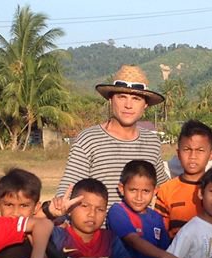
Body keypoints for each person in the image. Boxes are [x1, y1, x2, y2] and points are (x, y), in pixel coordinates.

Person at [48, 65, 169, 216]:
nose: (128, 105)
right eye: (122, 97)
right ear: (111, 99)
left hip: (139, 233)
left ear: (145, 105)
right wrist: (59, 204)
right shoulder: (89, 139)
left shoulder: (152, 141)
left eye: (136, 99)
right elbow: (69, 188)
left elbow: (164, 188)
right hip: (98, 232)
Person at [107, 160, 187, 258]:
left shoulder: (157, 218)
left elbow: (164, 254)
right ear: (122, 189)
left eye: (145, 191)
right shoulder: (118, 211)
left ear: (155, 191)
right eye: (133, 190)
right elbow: (133, 240)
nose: (139, 197)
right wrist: (167, 257)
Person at [155, 119, 212, 237]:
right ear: (178, 153)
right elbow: (159, 233)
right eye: (187, 149)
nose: (193, 156)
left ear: (211, 155)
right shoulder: (166, 190)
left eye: (200, 150)